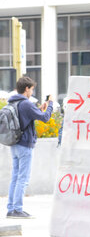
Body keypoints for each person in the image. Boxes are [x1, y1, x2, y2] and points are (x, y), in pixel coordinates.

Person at [5, 76, 53, 219]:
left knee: (15, 177)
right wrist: (50, 104)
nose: (32, 92)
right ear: (26, 89)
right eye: (32, 89)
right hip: (25, 145)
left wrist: (39, 109)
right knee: (23, 178)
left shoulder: (14, 102)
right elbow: (45, 118)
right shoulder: (25, 103)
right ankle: (18, 209)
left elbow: (26, 116)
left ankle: (11, 209)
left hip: (14, 144)